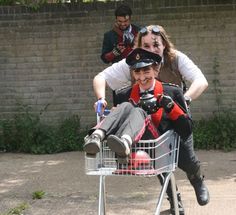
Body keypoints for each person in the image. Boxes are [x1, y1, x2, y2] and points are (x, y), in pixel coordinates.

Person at [93, 25, 209, 214]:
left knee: (186, 159)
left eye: (156, 45)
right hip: (148, 120)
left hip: (174, 113)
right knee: (158, 158)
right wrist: (102, 100)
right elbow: (101, 78)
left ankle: (197, 181)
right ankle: (175, 202)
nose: (152, 49)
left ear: (164, 44)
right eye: (145, 45)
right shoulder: (133, 63)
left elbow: (201, 80)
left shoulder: (175, 59)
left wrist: (182, 101)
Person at [84, 47, 192, 168]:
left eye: (146, 71)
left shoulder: (172, 92)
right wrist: (114, 114)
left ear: (156, 70)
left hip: (158, 150)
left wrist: (171, 107)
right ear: (132, 73)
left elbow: (186, 131)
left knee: (138, 111)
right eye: (137, 72)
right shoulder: (123, 94)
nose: (141, 77)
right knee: (126, 106)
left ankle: (125, 142)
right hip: (128, 154)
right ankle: (96, 136)